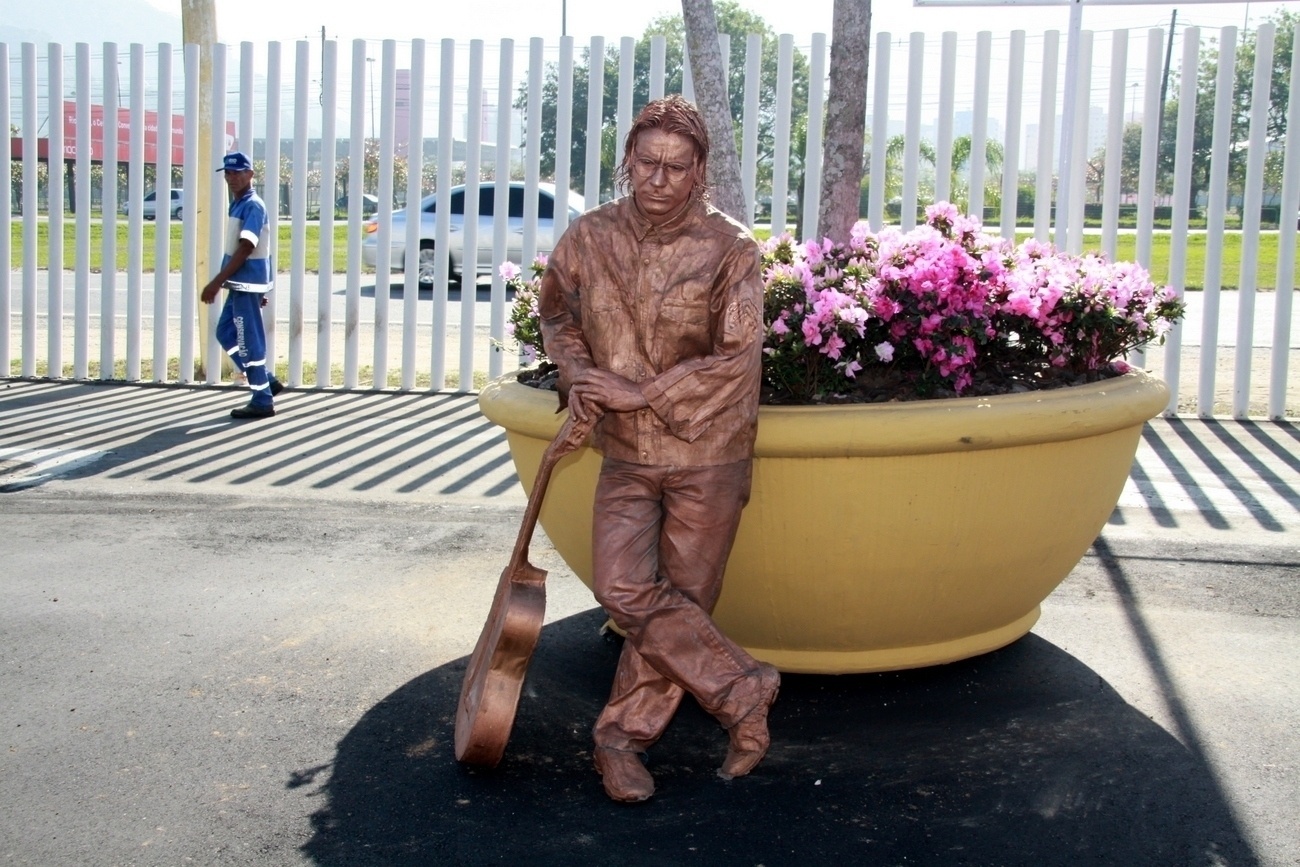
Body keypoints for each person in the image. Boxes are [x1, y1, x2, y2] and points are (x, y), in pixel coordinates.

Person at [539, 95, 778, 803]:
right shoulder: (588, 238)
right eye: (648, 163)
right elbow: (557, 312)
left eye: (677, 167)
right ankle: (742, 688)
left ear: (700, 170)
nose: (659, 179)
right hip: (629, 455)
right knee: (624, 588)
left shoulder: (731, 249)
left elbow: (738, 360)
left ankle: (620, 740)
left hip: (709, 451)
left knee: (681, 603)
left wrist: (641, 392)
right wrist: (580, 373)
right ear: (628, 162)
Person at [201, 151, 283, 419]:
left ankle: (262, 399)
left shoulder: (252, 206)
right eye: (228, 172)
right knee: (226, 333)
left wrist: (216, 281)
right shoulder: (238, 203)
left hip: (246, 283)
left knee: (249, 341)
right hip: (242, 283)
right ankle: (266, 381)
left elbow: (247, 246)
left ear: (250, 174)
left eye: (238, 172)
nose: (231, 177)